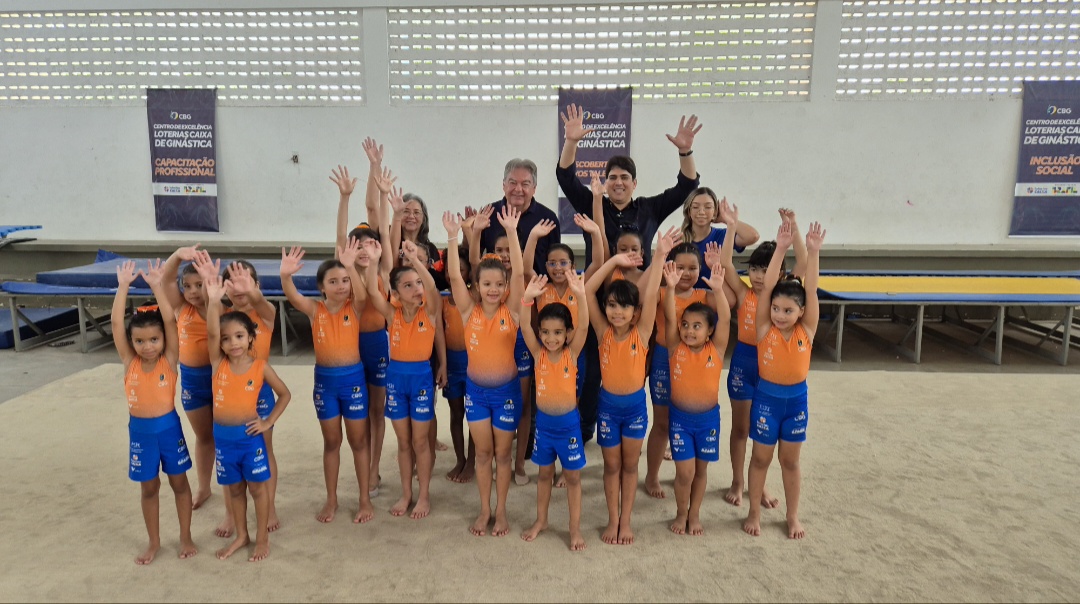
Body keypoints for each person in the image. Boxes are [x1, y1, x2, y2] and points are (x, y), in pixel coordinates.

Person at [584, 227, 675, 545]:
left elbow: (649, 296)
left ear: (635, 313)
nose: (616, 312)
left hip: (635, 409)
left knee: (630, 466)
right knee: (611, 466)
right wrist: (613, 262)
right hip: (608, 409)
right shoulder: (602, 331)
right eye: (611, 305)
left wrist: (660, 254)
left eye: (624, 307)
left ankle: (626, 522)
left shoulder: (642, 331)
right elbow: (587, 291)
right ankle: (612, 520)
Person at [443, 206, 525, 537]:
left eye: (498, 284)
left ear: (505, 287)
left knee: (503, 455)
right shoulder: (467, 311)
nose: (493, 289)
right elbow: (453, 277)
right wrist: (453, 238)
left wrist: (513, 233)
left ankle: (501, 512)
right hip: (476, 394)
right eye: (487, 283)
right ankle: (484, 510)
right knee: (483, 454)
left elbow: (519, 276)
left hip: (506, 393)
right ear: (476, 285)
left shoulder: (513, 311)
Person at [280, 239, 374, 524]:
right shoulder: (314, 310)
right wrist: (285, 276)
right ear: (322, 287)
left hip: (353, 382)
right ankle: (331, 498)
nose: (341, 286)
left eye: (345, 280)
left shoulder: (354, 307)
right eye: (333, 281)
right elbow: (293, 297)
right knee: (332, 441)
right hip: (325, 384)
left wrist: (350, 267)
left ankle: (364, 499)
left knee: (359, 441)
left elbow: (362, 295)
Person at [718, 204, 805, 509]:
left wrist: (793, 227)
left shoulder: (780, 297)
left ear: (779, 272)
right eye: (754, 269)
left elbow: (803, 262)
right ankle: (737, 481)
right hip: (744, 363)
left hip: (771, 369)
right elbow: (726, 262)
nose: (757, 275)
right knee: (741, 428)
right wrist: (731, 226)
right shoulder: (744, 294)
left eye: (765, 270)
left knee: (762, 432)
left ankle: (761, 485)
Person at [743, 219, 825, 540]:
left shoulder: (807, 330)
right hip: (767, 400)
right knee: (760, 458)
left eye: (788, 311)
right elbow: (767, 290)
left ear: (801, 312)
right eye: (776, 308)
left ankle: (792, 515)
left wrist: (813, 253)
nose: (779, 314)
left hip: (796, 402)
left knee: (790, 461)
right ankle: (753, 511)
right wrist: (779, 249)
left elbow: (812, 289)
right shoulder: (765, 329)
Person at [112, 259, 197, 565]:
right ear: (131, 343)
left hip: (169, 430)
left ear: (163, 339)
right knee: (149, 488)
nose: (147, 347)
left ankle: (185, 536)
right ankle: (154, 542)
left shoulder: (169, 360)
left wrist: (157, 286)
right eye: (140, 341)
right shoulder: (129, 362)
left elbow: (171, 322)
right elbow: (116, 324)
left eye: (153, 340)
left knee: (179, 483)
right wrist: (123, 287)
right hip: (141, 434)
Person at [203, 273, 292, 561]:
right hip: (224, 440)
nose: (233, 343)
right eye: (226, 339)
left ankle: (262, 538)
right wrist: (213, 300)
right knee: (234, 489)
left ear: (251, 337)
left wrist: (268, 421)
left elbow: (285, 394)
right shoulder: (218, 363)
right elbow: (212, 333)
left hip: (250, 436)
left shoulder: (260, 366)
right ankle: (242, 535)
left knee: (257, 487)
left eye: (240, 337)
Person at [557, 103, 702, 265]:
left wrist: (685, 151)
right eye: (613, 177)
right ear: (606, 183)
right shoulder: (591, 204)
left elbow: (687, 186)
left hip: (640, 281)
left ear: (634, 184)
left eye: (624, 177)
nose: (618, 182)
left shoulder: (650, 209)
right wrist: (571, 142)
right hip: (599, 281)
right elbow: (565, 177)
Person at [520, 213, 605, 487]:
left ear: (573, 265)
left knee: (572, 406)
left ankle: (568, 463)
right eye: (552, 263)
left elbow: (598, 262)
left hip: (574, 353)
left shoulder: (578, 284)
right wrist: (533, 236)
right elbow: (525, 270)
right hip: (546, 354)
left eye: (563, 262)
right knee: (546, 406)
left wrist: (595, 233)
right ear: (546, 265)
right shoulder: (541, 286)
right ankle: (548, 460)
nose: (558, 267)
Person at [363, 239, 445, 519]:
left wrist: (417, 262)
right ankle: (407, 493)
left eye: (418, 283)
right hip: (396, 381)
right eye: (408, 285)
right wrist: (373, 261)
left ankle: (424, 495)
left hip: (420, 380)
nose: (416, 288)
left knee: (420, 442)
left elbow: (431, 288)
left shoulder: (430, 311)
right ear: (396, 294)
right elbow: (373, 292)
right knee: (403, 442)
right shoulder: (392, 314)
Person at [332, 157, 395, 499]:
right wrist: (345, 198)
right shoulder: (345, 269)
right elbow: (341, 235)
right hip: (351, 346)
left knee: (377, 410)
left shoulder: (383, 270)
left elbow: (383, 230)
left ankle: (373, 468)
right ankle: (363, 461)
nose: (363, 249)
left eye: (368, 244)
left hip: (378, 346)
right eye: (357, 245)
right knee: (359, 413)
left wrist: (383, 195)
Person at [159, 244, 231, 534]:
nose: (192, 291)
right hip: (192, 381)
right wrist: (178, 255)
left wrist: (213, 288)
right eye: (187, 286)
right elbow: (165, 280)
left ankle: (232, 502)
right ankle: (204, 486)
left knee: (223, 440)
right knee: (204, 437)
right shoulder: (181, 308)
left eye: (199, 285)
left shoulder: (221, 309)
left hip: (220, 379)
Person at [517, 272, 590, 551]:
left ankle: (574, 528)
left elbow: (584, 326)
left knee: (572, 478)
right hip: (544, 428)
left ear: (567, 333)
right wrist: (527, 299)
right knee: (544, 475)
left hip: (569, 427)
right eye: (545, 332)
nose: (550, 338)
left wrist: (580, 295)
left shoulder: (572, 353)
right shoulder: (538, 355)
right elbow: (525, 326)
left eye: (558, 332)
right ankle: (542, 520)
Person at [644, 243, 720, 500]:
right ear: (670, 267)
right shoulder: (662, 292)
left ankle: (684, 465)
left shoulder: (704, 295)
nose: (686, 273)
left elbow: (731, 302)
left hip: (693, 365)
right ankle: (652, 475)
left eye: (692, 268)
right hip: (664, 360)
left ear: (701, 269)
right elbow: (644, 297)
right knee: (662, 422)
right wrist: (659, 265)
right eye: (680, 267)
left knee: (686, 417)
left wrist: (717, 269)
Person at [661, 259, 730, 535]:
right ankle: (681, 513)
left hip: (708, 421)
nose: (689, 330)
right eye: (686, 325)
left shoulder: (717, 349)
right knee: (685, 473)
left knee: (701, 472)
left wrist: (718, 290)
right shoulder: (675, 347)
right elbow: (669, 318)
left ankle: (695, 514)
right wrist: (670, 288)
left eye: (697, 326)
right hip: (680, 420)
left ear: (710, 331)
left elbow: (726, 318)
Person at [218, 261, 283, 533]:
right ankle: (231, 513)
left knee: (264, 449)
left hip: (260, 393)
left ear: (256, 286)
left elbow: (263, 304)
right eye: (232, 283)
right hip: (229, 395)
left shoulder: (265, 314)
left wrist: (251, 291)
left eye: (245, 281)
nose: (239, 287)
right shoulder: (222, 316)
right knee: (228, 456)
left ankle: (270, 506)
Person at [479, 158, 561, 278]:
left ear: (534, 188)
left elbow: (556, 261)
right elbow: (475, 260)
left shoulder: (548, 219)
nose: (518, 189)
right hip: (496, 287)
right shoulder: (489, 214)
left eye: (525, 184)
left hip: (538, 287)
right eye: (512, 183)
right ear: (504, 185)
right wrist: (469, 232)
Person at [677, 187, 759, 291]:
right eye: (695, 207)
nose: (701, 212)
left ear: (715, 211)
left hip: (716, 296)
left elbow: (753, 236)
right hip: (685, 296)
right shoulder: (679, 240)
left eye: (708, 207)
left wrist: (726, 219)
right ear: (689, 211)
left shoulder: (723, 235)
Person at [441, 244, 476, 484]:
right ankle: (460, 459)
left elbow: (475, 262)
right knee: (456, 413)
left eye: (461, 269)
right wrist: (443, 365)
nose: (454, 273)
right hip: (452, 364)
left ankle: (472, 462)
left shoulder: (475, 297)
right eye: (450, 270)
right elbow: (439, 335)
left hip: (473, 363)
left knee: (474, 416)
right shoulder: (442, 299)